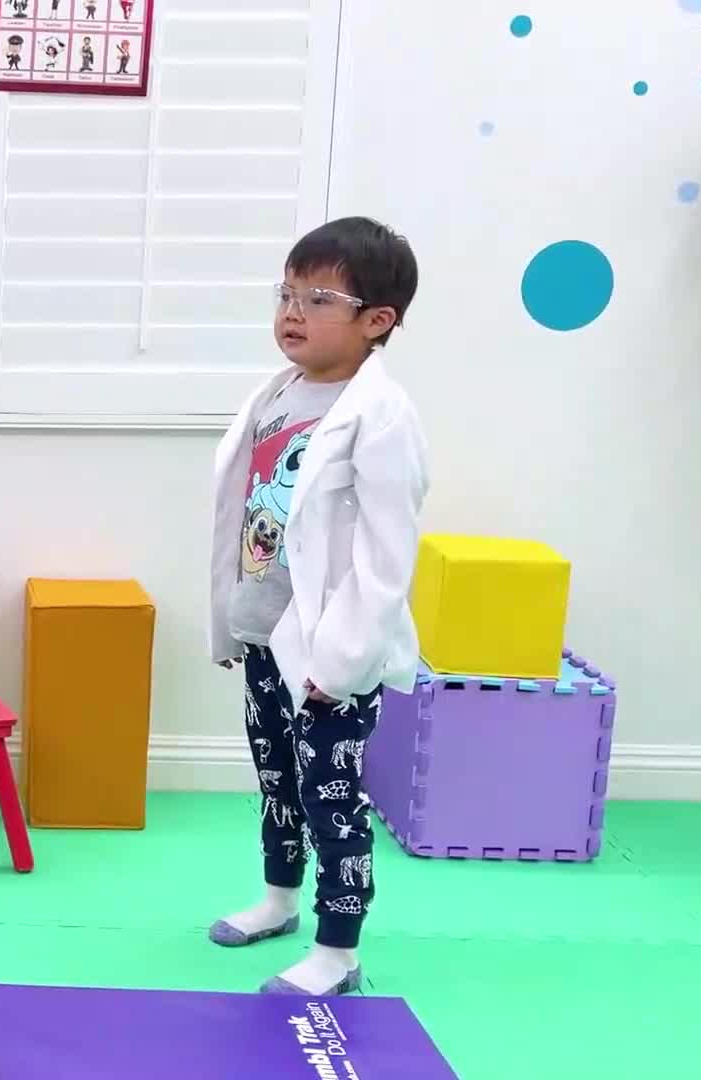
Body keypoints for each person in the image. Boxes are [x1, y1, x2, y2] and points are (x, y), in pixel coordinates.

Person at [204, 216, 427, 996]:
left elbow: (385, 553)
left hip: (331, 652)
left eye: (319, 296)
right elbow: (247, 518)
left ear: (376, 321)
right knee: (277, 781)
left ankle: (339, 949)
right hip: (267, 632)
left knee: (330, 796)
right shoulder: (280, 393)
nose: (292, 311)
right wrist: (235, 618)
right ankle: (278, 899)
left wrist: (342, 661)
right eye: (287, 293)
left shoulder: (382, 414)